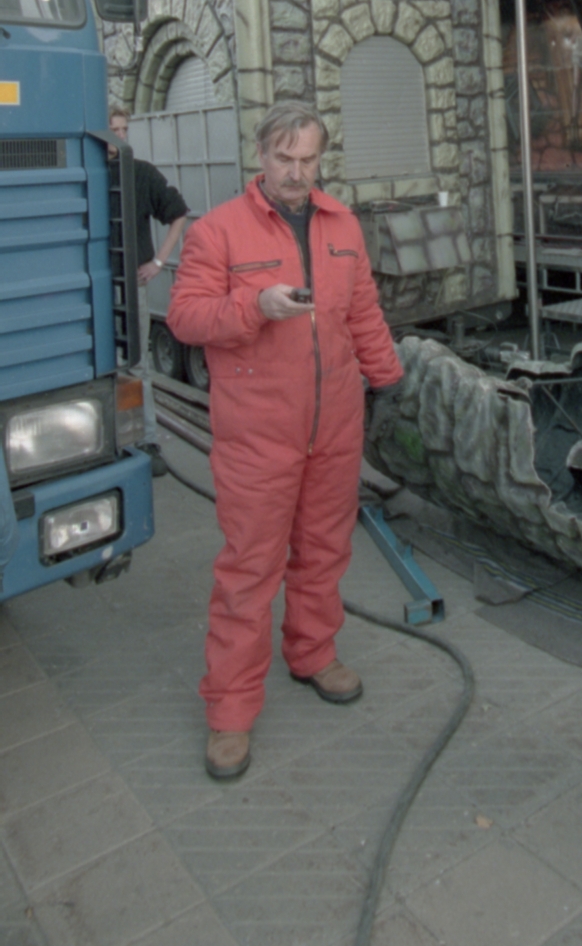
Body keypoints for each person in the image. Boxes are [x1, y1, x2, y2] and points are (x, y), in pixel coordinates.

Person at [167, 102, 402, 781]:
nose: (296, 173)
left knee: (325, 550)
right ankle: (230, 710)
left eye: (308, 159)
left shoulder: (342, 223)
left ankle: (312, 652)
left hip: (334, 426)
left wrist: (387, 377)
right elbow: (185, 317)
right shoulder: (217, 231)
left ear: (320, 159)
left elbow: (362, 310)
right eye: (284, 158)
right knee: (249, 571)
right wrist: (254, 306)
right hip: (257, 436)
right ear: (261, 156)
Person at [108, 108, 189, 476]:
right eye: (113, 129)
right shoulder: (86, 172)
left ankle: (147, 441)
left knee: (136, 365)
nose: (120, 136)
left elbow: (178, 213)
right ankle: (110, 443)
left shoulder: (140, 174)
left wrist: (158, 261)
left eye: (124, 129)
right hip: (95, 286)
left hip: (130, 286)